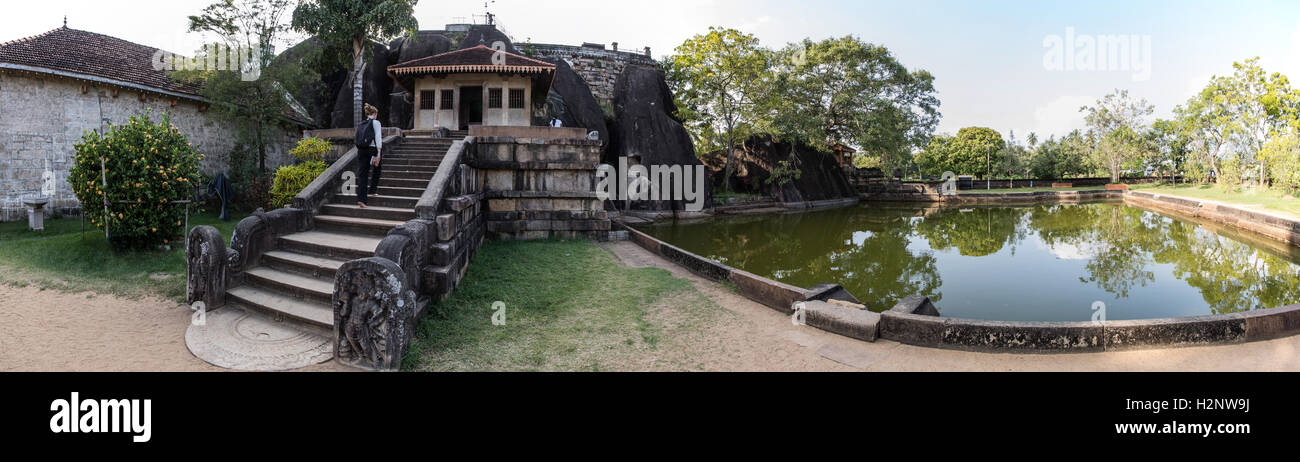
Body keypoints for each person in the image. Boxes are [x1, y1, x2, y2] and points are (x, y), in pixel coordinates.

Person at [354, 103, 383, 208]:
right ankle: (372, 190)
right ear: (374, 114)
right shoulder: (376, 122)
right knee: (377, 168)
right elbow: (378, 137)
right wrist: (378, 153)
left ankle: (361, 200)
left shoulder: (361, 124)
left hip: (361, 150)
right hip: (372, 149)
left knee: (362, 175)